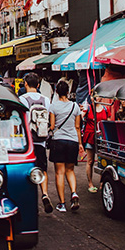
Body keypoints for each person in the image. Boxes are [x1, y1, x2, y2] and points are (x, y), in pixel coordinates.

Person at [19, 72, 53, 213]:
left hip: (27, 142)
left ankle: (29, 199)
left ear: (26, 84)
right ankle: (45, 193)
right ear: (38, 85)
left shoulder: (22, 99)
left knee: (27, 171)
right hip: (41, 140)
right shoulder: (46, 100)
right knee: (42, 169)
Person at [49, 79, 82, 212]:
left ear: (56, 92)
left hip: (58, 141)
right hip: (73, 141)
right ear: (68, 92)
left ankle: (62, 204)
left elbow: (52, 126)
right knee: (70, 170)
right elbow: (78, 127)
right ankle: (74, 193)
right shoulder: (75, 106)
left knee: (59, 173)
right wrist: (80, 144)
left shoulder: (54, 106)